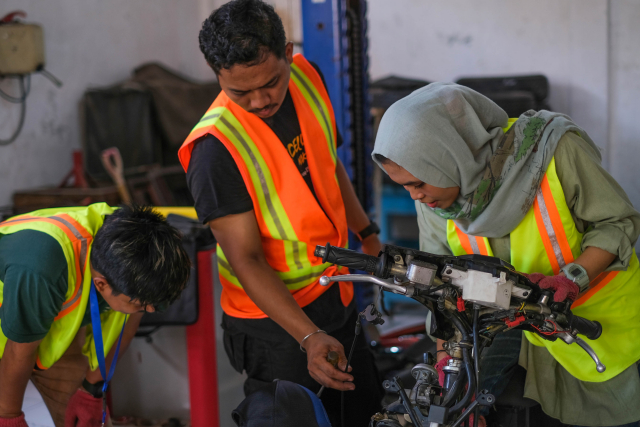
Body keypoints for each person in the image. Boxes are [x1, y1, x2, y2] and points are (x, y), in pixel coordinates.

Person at [371, 82, 640, 427]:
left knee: (611, 415)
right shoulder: (437, 201)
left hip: (591, 326)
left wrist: (572, 279)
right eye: (404, 186)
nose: (415, 197)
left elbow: (617, 222)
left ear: (449, 155)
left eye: (419, 183)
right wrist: (449, 383)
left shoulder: (553, 151)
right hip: (503, 326)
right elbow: (439, 289)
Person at [178, 0, 383, 425]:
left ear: (288, 53)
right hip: (276, 325)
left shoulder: (309, 77)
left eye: (270, 82)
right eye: (240, 91)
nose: (259, 100)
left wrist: (368, 235)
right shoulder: (214, 149)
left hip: (335, 290)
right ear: (217, 76)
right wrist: (307, 336)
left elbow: (329, 164)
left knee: (365, 411)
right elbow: (246, 259)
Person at [0, 203, 191, 427]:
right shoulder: (41, 269)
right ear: (101, 284)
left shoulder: (135, 247)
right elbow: (17, 351)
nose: (150, 311)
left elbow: (128, 321)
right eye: (142, 305)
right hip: (14, 336)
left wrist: (92, 390)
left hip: (41, 331)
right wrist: (9, 416)